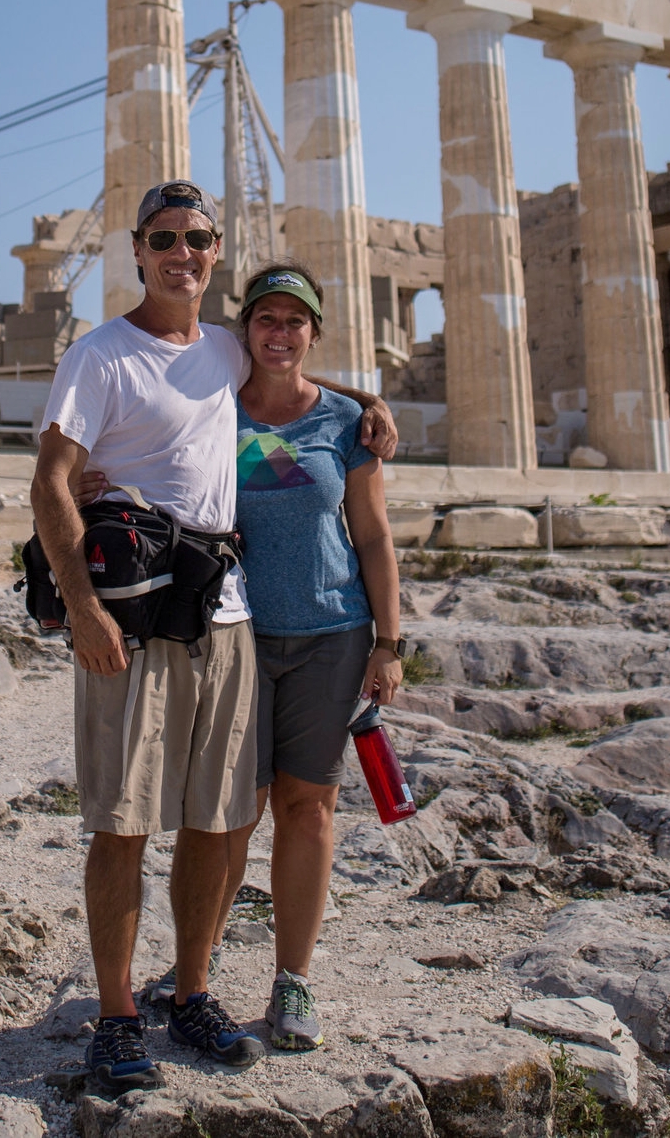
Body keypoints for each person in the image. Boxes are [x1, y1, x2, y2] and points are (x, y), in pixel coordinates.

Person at [30, 179, 397, 1095]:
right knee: (121, 825)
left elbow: (291, 366)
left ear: (214, 249)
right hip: (136, 624)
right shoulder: (99, 355)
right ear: (139, 249)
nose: (181, 252)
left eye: (197, 238)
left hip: (227, 617)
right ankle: (117, 1017)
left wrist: (367, 402)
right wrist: (82, 609)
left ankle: (192, 991)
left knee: (217, 819)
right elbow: (50, 479)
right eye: (164, 238)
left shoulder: (228, 347)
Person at [221, 262, 402, 1052]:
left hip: (333, 635)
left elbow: (373, 536)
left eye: (296, 322)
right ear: (245, 330)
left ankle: (292, 980)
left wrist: (390, 644)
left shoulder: (344, 424)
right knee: (227, 810)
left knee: (308, 809)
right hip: (234, 635)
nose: (280, 333)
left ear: (313, 333)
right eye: (267, 319)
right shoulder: (211, 413)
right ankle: (193, 966)